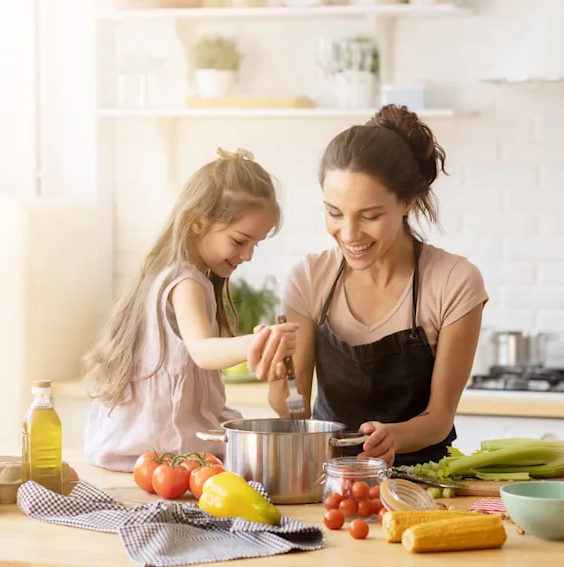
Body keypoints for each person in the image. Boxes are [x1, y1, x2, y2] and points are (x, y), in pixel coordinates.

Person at [249, 105, 488, 467]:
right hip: (330, 480)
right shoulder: (310, 279)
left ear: (407, 202)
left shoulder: (454, 282)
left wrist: (393, 436)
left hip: (424, 482)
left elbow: (438, 420)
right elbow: (294, 412)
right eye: (334, 213)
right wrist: (278, 380)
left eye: (370, 216)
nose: (348, 234)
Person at [83, 147, 296, 472]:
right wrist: (258, 340)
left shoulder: (173, 274)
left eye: (256, 243)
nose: (249, 255)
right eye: (240, 241)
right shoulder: (187, 281)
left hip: (141, 445)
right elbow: (202, 351)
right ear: (198, 224)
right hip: (163, 448)